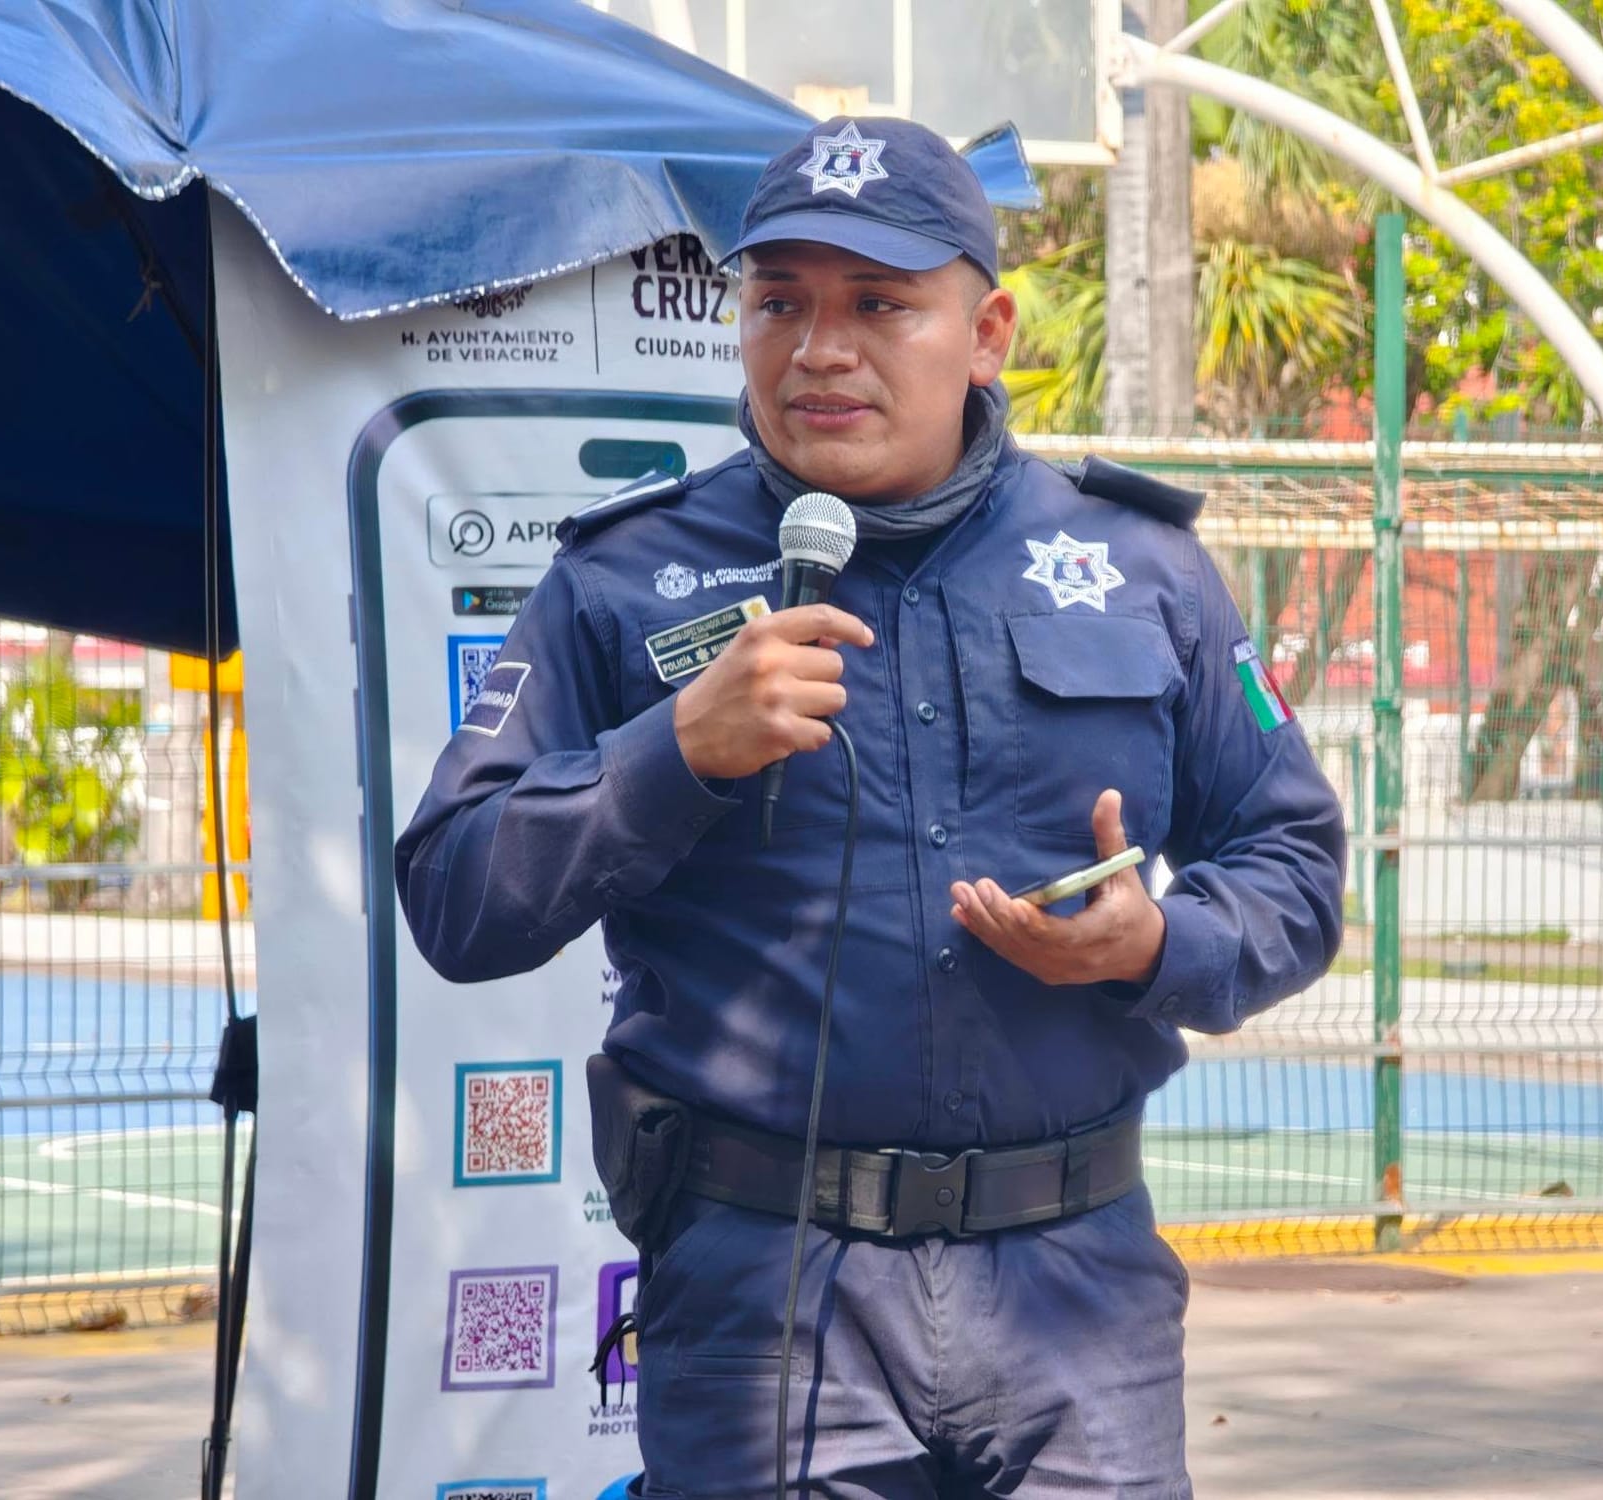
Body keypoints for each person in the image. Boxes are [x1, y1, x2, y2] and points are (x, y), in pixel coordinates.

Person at [396, 116, 1346, 1500]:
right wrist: (674, 753)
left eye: (879, 304)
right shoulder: (622, 580)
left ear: (988, 330)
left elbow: (1297, 863)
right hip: (766, 1296)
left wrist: (1157, 944)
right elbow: (455, 892)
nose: (818, 350)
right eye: (779, 300)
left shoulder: (1137, 566)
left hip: (1077, 1295)